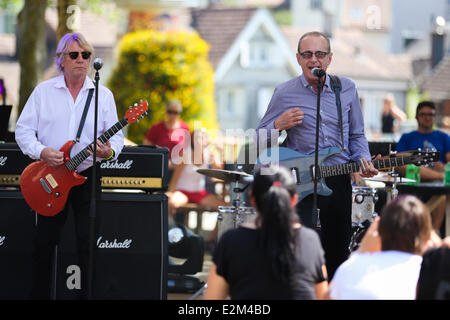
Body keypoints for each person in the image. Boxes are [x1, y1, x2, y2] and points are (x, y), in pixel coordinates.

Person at [256, 31, 378, 280]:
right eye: (308, 54)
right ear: (299, 58)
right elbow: (258, 141)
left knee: (336, 250)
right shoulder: (284, 92)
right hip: (299, 181)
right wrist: (277, 125)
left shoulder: (346, 88)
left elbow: (357, 135)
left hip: (337, 178)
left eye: (320, 54)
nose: (314, 60)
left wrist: (362, 158)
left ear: (330, 58)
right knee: (297, 248)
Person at [15, 32, 124, 299]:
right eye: (74, 55)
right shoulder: (43, 92)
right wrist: (42, 151)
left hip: (86, 175)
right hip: (50, 177)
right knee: (44, 244)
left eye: (86, 55)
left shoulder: (103, 95)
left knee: (88, 246)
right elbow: (23, 131)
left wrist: (108, 152)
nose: (81, 60)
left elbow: (117, 136)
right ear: (61, 60)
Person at [204, 165, 328, 300]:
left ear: (252, 199)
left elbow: (213, 297)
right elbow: (322, 295)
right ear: (293, 200)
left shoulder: (231, 240)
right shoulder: (310, 240)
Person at [327, 195, 438, 300]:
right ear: (429, 238)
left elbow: (325, 296)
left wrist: (360, 253)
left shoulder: (349, 268)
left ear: (378, 230)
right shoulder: (431, 273)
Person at [396, 101, 450, 234]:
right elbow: (398, 162)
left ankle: (433, 233)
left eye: (431, 114)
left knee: (441, 196)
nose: (427, 117)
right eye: (423, 114)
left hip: (438, 185)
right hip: (413, 179)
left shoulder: (443, 137)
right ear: (417, 117)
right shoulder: (407, 137)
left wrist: (443, 167)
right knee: (404, 163)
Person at [142, 100, 190, 171]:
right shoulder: (156, 127)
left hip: (179, 169)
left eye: (175, 112)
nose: (172, 115)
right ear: (166, 112)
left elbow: (188, 149)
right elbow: (146, 146)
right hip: (159, 166)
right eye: (170, 112)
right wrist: (163, 160)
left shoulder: (185, 127)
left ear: (179, 113)